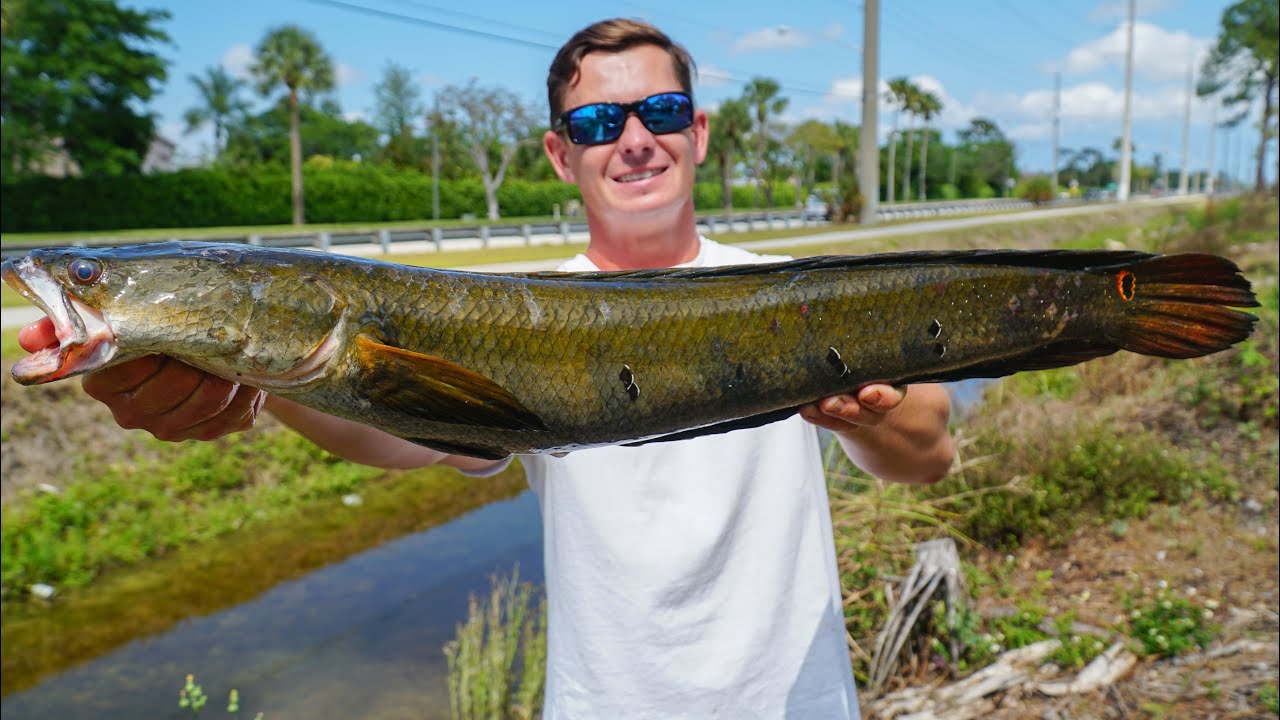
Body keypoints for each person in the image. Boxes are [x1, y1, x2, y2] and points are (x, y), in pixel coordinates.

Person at [18, 18, 953, 719]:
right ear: (560, 152)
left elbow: (928, 454)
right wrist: (254, 386)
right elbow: (415, 439)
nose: (634, 138)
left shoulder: (796, 293)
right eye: (597, 120)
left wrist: (872, 418)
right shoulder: (515, 311)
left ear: (697, 132)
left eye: (659, 111)